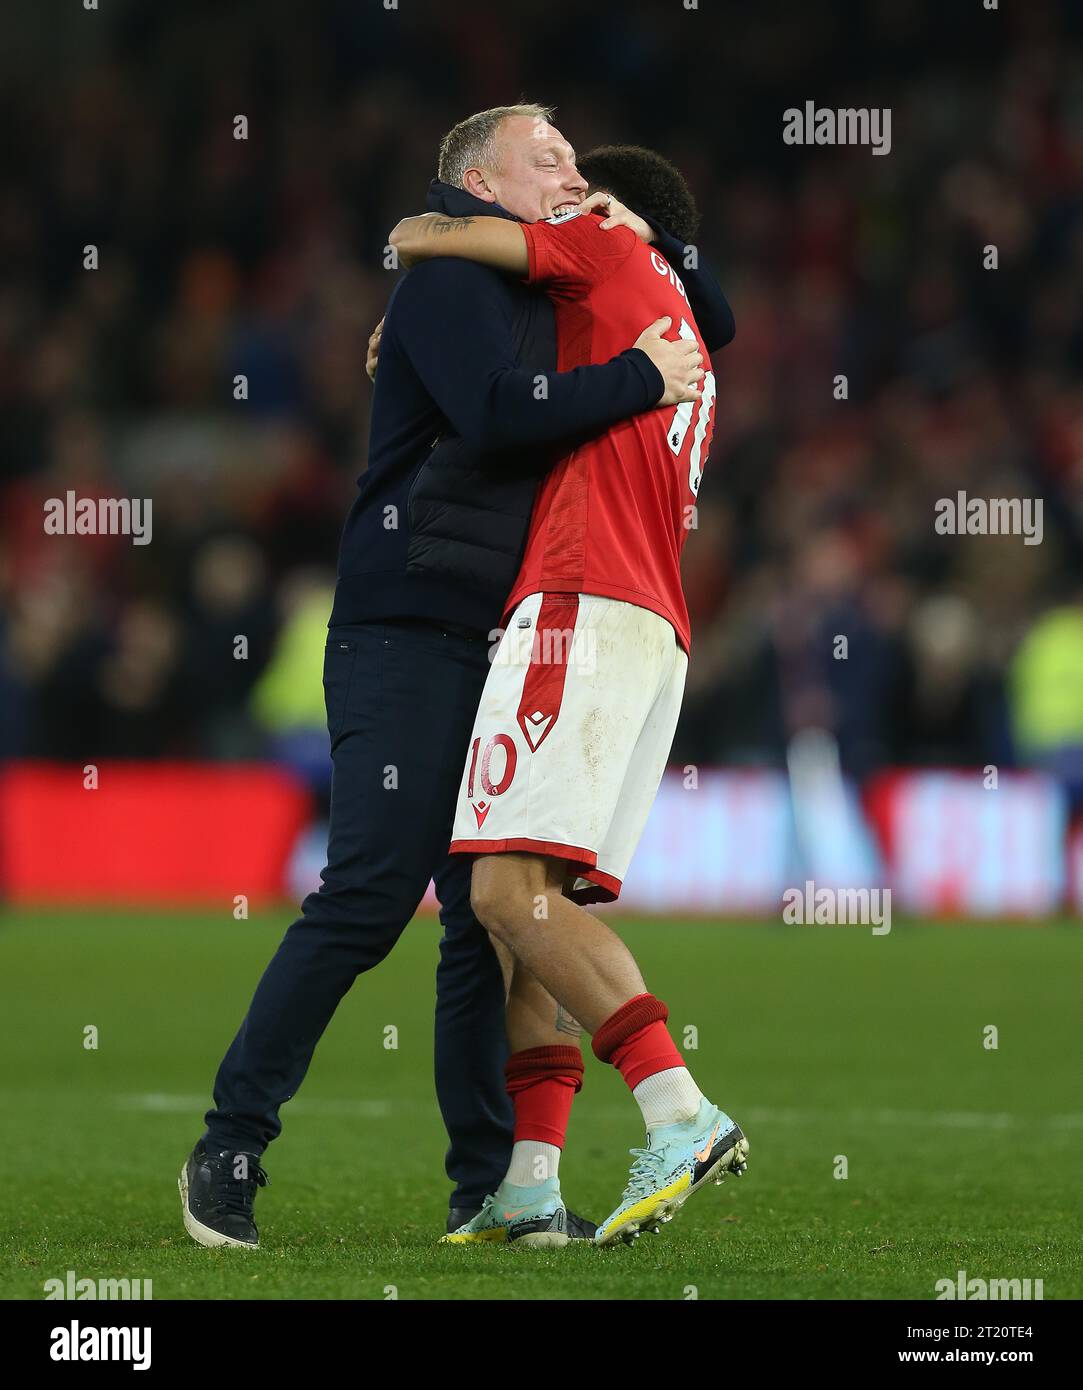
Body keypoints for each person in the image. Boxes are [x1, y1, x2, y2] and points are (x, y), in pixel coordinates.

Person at [179, 106, 708, 1250]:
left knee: (493, 923)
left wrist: (650, 256)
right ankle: (231, 1140)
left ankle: (488, 1185)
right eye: (547, 155)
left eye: (578, 158)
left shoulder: (551, 287)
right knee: (371, 894)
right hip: (408, 627)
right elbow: (496, 416)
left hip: (509, 637)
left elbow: (704, 312)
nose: (571, 168)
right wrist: (636, 377)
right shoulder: (450, 286)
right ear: (479, 180)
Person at [387, 144, 747, 1249]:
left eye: (576, 178)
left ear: (614, 208)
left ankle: (679, 1111)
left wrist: (420, 264)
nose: (566, 192)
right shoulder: (679, 317)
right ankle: (531, 1182)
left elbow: (447, 237)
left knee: (498, 897)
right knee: (532, 915)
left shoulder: (601, 245)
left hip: (582, 606)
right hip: (649, 625)